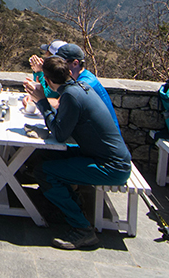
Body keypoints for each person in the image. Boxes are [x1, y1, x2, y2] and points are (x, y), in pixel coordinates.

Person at [23, 56, 132, 250]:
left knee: (45, 171)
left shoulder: (71, 96)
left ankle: (82, 229)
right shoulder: (80, 88)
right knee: (43, 156)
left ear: (47, 80)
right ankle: (64, 208)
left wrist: (41, 102)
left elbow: (59, 135)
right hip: (105, 156)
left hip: (111, 166)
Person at [55, 43, 120, 130]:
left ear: (75, 63)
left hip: (100, 138)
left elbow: (58, 104)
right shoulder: (79, 78)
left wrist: (38, 98)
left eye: (62, 63)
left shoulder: (86, 83)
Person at [27, 40, 67, 104]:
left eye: (47, 52)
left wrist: (39, 72)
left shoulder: (60, 75)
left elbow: (44, 96)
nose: (45, 54)